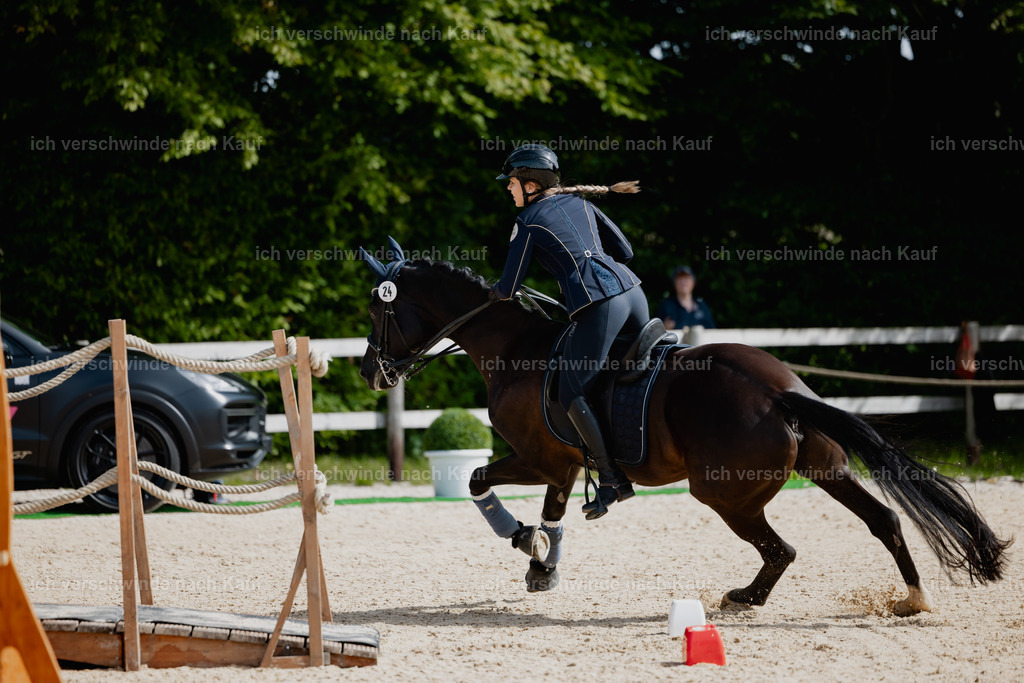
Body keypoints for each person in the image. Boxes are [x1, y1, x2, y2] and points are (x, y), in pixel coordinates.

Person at [490, 143, 647, 520]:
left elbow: (509, 288)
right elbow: (624, 250)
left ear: (529, 184)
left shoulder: (528, 221)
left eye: (510, 182)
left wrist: (494, 291)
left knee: (572, 390)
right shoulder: (583, 204)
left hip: (599, 304)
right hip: (634, 292)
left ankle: (611, 478)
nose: (507, 189)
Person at [655, 265, 716, 330]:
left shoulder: (702, 306)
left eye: (686, 278)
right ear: (674, 283)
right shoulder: (666, 306)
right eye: (680, 279)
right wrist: (665, 328)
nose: (683, 282)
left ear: (693, 282)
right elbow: (656, 333)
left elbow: (712, 331)